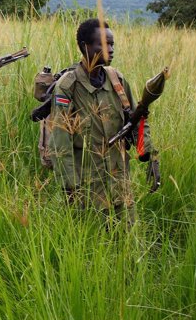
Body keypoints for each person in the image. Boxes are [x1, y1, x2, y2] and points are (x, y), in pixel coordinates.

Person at [49, 18, 154, 226]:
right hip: (87, 184)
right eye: (104, 44)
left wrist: (149, 154)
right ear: (84, 47)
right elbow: (60, 140)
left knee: (126, 237)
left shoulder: (117, 80)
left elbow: (138, 118)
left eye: (112, 44)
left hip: (119, 179)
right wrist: (70, 186)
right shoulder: (68, 86)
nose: (111, 49)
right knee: (92, 242)